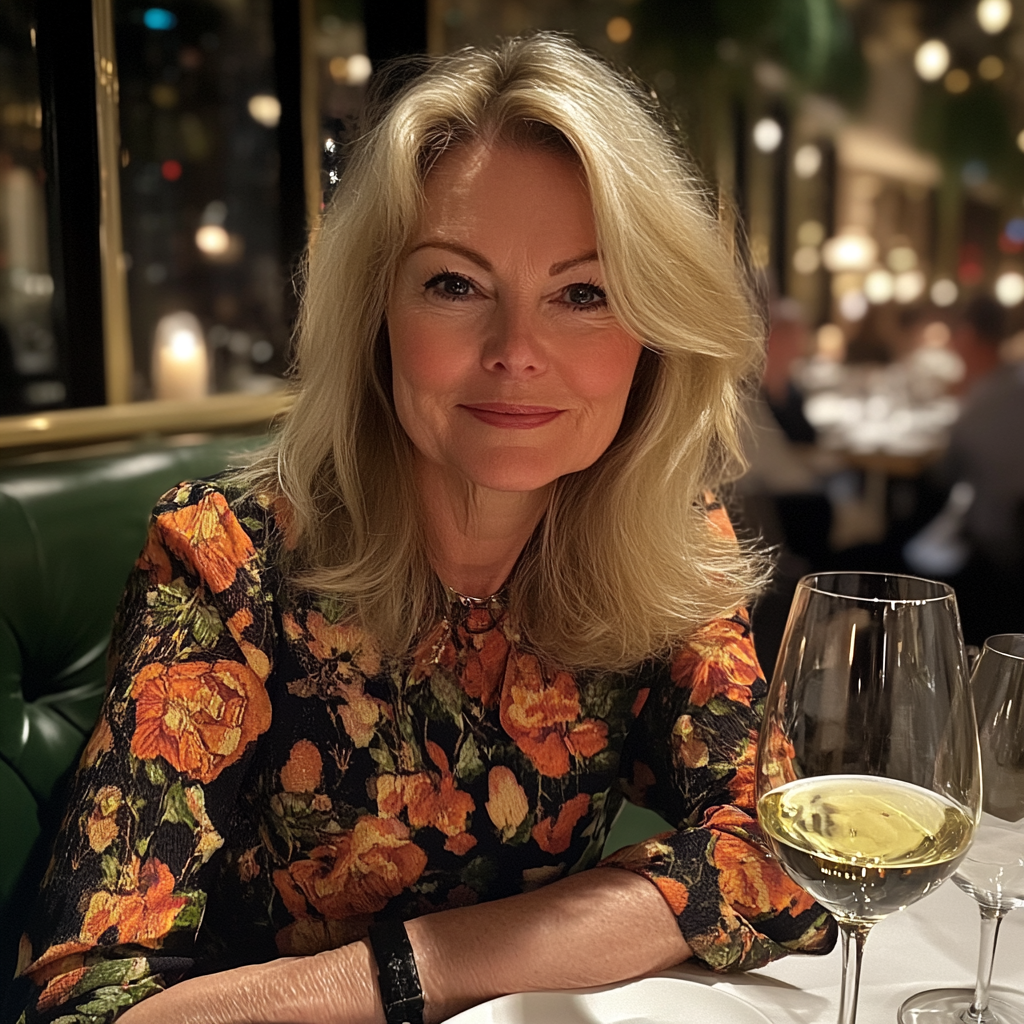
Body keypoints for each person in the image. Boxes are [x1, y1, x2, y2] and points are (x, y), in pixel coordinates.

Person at [7, 34, 836, 1024]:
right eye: (454, 283)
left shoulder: (664, 540)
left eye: (583, 293)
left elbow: (783, 857)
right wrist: (416, 972)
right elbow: (84, 1006)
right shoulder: (224, 564)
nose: (515, 351)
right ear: (377, 313)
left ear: (650, 339)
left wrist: (449, 957)